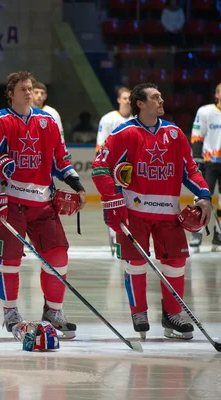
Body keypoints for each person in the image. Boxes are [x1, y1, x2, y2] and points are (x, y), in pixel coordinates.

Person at [92, 83, 211, 340]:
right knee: (135, 263)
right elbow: (100, 167)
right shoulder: (124, 133)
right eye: (154, 97)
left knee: (176, 264)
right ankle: (139, 312)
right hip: (135, 213)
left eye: (160, 96)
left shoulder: (175, 133)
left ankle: (172, 314)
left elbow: (189, 170)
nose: (161, 100)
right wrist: (112, 199)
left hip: (169, 213)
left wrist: (203, 194)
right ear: (140, 103)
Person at [0, 71, 87, 340]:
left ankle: (54, 311)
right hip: (11, 204)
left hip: (43, 203)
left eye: (30, 88)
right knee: (9, 261)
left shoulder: (48, 121)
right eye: (23, 89)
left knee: (58, 256)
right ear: (10, 93)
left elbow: (61, 159)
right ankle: (10, 311)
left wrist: (78, 186)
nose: (28, 92)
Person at [96, 87, 132, 250]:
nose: (127, 101)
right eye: (124, 98)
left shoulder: (137, 119)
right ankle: (114, 234)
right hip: (112, 168)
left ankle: (127, 234)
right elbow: (101, 146)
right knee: (113, 201)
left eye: (129, 98)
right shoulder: (108, 119)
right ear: (118, 99)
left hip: (131, 170)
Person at [190, 83, 221, 252]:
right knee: (200, 198)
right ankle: (197, 232)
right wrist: (197, 159)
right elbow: (196, 135)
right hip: (208, 163)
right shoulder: (205, 111)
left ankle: (219, 236)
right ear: (216, 94)